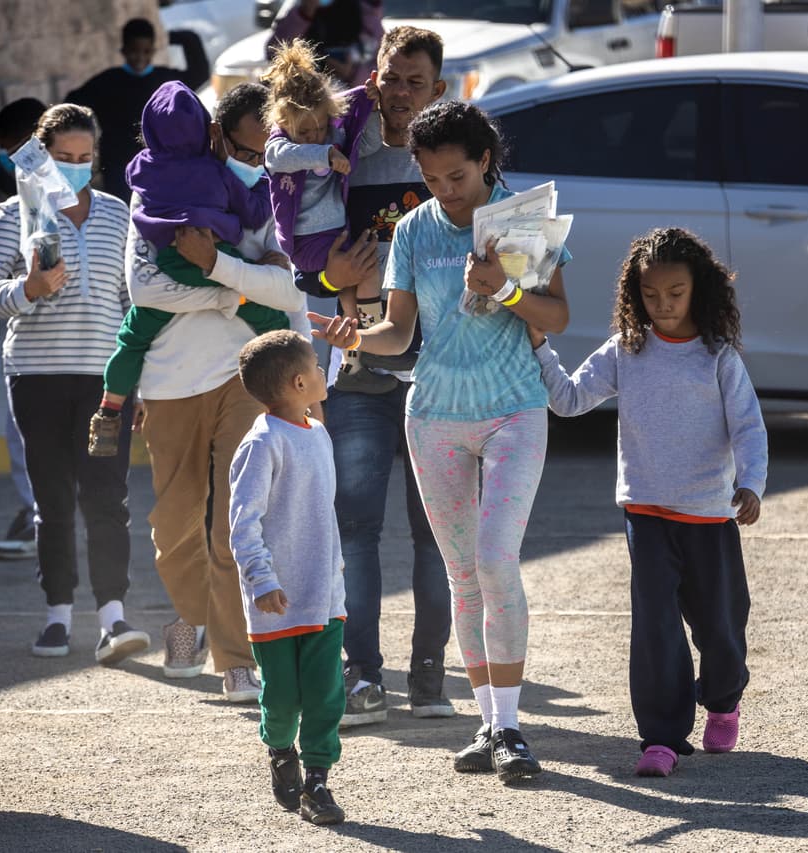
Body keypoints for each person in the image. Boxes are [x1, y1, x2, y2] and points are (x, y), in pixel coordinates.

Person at [310, 100, 570, 785]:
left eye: (457, 175)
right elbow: (400, 332)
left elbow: (557, 316)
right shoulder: (414, 229)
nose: (445, 190)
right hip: (433, 414)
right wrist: (354, 338)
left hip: (514, 409)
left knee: (495, 560)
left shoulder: (520, 219)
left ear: (484, 160)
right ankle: (488, 726)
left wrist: (506, 289)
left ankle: (510, 726)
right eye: (431, 178)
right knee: (463, 575)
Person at [530, 227, 767, 778]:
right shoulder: (626, 349)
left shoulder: (717, 355)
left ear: (698, 288)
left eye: (676, 293)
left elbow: (749, 428)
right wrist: (540, 344)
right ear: (634, 294)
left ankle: (723, 698)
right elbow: (568, 400)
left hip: (709, 515)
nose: (663, 305)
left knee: (722, 630)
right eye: (651, 294)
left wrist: (752, 483)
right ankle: (661, 737)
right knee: (655, 628)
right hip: (646, 514)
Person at [125, 82, 309, 702]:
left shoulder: (260, 198)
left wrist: (217, 267)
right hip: (169, 383)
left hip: (243, 374)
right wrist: (236, 290)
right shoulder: (152, 191)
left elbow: (288, 291)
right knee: (174, 525)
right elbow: (146, 290)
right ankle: (191, 617)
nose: (255, 162)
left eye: (264, 152)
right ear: (214, 136)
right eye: (244, 149)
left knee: (237, 519)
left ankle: (235, 657)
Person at [292, 26, 451, 727]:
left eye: (416, 82)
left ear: (437, 89)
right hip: (359, 370)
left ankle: (430, 675)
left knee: (436, 533)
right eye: (392, 79)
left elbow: (502, 249)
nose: (401, 93)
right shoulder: (342, 151)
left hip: (442, 376)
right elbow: (304, 256)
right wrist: (333, 279)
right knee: (354, 526)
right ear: (374, 78)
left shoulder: (454, 158)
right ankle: (363, 675)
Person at [0, 103, 150, 666]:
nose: (74, 166)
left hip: (105, 384)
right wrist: (28, 289)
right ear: (41, 154)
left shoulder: (118, 213)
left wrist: (139, 382)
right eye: (63, 156)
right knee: (52, 502)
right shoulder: (15, 212)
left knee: (107, 498)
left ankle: (113, 618)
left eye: (84, 157)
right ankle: (57, 617)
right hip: (36, 378)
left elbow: (133, 304)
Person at [88, 81, 280, 457]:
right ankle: (291, 383)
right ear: (209, 131)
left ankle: (109, 410)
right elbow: (254, 213)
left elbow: (139, 200)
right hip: (216, 256)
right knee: (271, 320)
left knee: (132, 338)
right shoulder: (216, 172)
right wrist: (261, 189)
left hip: (169, 261)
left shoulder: (141, 169)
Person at [229, 330, 347, 826]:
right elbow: (243, 523)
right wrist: (261, 580)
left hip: (324, 595)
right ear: (300, 382)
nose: (323, 372)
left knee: (325, 695)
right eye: (318, 366)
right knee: (281, 702)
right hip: (275, 601)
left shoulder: (317, 431)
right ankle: (280, 750)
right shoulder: (262, 444)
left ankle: (318, 782)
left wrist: (336, 568)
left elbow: (322, 510)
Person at [262, 40, 387, 390]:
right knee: (362, 274)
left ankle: (357, 360)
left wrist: (371, 111)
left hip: (336, 233)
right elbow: (279, 157)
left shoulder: (331, 132)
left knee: (355, 288)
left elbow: (367, 145)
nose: (315, 135)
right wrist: (324, 154)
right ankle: (371, 349)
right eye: (304, 131)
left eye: (320, 127)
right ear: (284, 122)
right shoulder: (281, 145)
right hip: (307, 241)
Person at [0, 96, 47, 560]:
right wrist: (26, 289)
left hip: (81, 352)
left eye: (15, 148)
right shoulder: (14, 209)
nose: (12, 159)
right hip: (31, 350)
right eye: (6, 153)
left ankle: (44, 523)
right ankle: (38, 519)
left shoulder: (99, 208)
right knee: (25, 439)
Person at [66, 18, 210, 201]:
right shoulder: (107, 82)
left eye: (146, 51)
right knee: (123, 211)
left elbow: (199, 72)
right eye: (134, 51)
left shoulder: (165, 80)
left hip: (159, 166)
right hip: (120, 168)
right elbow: (72, 102)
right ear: (124, 50)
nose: (140, 57)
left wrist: (176, 37)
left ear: (153, 51)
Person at [268, 0, 383, 88]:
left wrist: (352, 73)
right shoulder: (298, 9)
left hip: (351, 99)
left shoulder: (366, 15)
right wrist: (305, 13)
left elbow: (382, 66)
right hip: (306, 96)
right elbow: (273, 52)